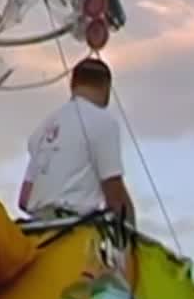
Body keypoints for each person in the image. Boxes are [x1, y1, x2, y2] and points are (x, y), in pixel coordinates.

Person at [18, 57, 134, 220]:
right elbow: (114, 193)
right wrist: (131, 235)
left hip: (36, 232)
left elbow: (24, 199)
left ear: (72, 85)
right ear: (107, 88)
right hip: (73, 233)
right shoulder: (103, 122)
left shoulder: (44, 128)